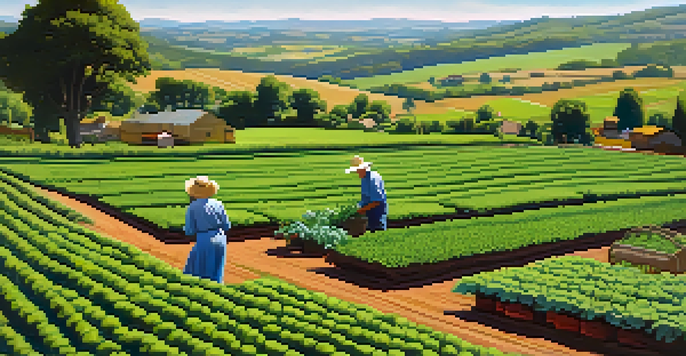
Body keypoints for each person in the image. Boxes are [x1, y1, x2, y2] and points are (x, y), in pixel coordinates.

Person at [182, 176, 230, 283]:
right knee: (217, 270)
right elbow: (226, 225)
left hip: (204, 239)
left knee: (198, 270)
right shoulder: (218, 204)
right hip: (220, 238)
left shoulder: (192, 207)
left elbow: (190, 230)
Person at [345, 155, 388, 232]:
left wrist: (361, 210)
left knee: (377, 230)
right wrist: (357, 207)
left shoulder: (372, 179)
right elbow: (365, 198)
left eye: (358, 170)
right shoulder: (363, 178)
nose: (357, 172)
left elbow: (377, 201)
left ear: (364, 168)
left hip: (377, 212)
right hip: (369, 210)